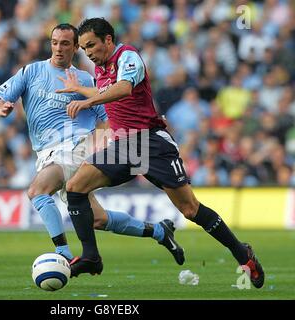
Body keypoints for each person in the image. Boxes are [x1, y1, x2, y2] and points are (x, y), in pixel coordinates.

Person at [57, 18, 264, 288]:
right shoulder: (101, 68)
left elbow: (124, 88)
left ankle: (241, 252)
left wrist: (88, 101)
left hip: (152, 143)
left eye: (92, 46)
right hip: (123, 144)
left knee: (190, 209)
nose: (88, 53)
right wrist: (80, 89)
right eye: (84, 49)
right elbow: (105, 90)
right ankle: (91, 257)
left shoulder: (127, 55)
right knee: (74, 187)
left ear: (108, 39)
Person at [0, 23, 184, 263]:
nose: (58, 48)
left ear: (76, 48)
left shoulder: (86, 81)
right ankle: (159, 232)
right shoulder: (31, 72)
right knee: (97, 219)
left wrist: (103, 146)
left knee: (37, 191)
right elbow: (2, 97)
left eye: (65, 43)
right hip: (46, 153)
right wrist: (3, 107)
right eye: (54, 43)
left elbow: (109, 118)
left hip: (76, 147)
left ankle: (62, 253)